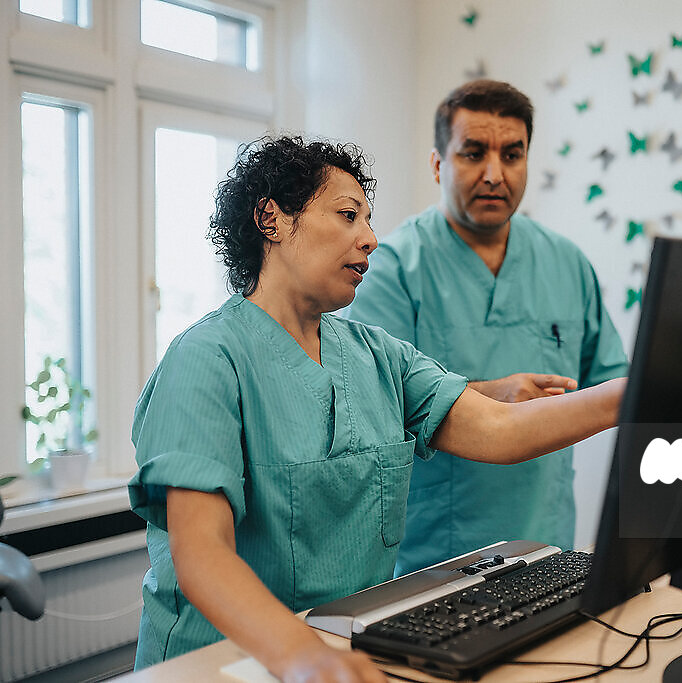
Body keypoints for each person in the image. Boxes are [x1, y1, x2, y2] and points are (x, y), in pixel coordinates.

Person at [128, 135, 624, 682]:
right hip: (223, 663)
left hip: (349, 651)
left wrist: (632, 395)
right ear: (271, 219)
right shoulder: (205, 359)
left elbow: (501, 429)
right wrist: (301, 655)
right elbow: (201, 553)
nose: (370, 239)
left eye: (368, 221)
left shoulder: (378, 355)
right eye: (348, 216)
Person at [346, 80, 628, 575]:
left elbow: (612, 384)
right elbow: (371, 411)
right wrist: (488, 396)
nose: (495, 174)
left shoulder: (566, 263)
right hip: (436, 558)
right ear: (438, 164)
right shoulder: (392, 268)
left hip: (549, 545)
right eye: (474, 153)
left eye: (512, 155)